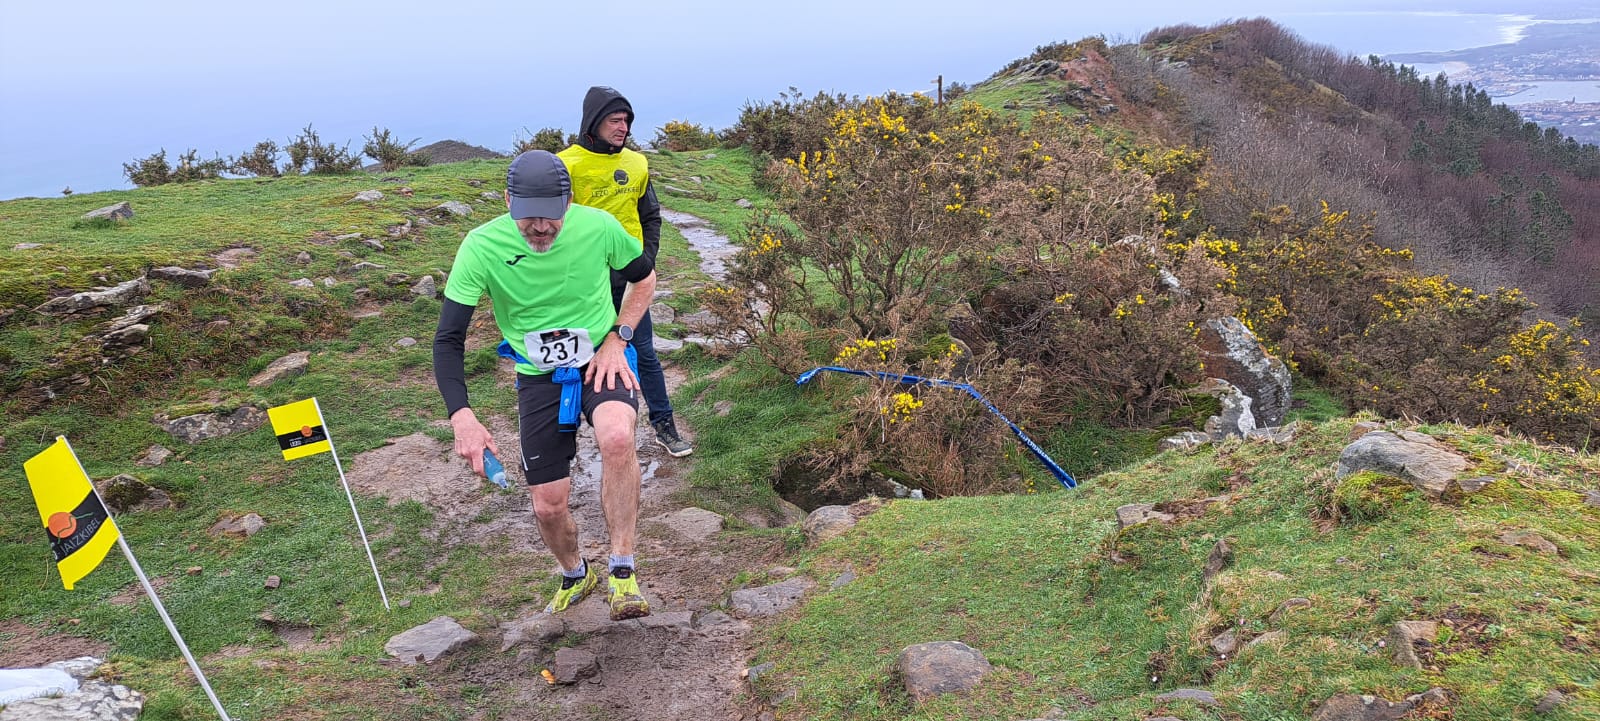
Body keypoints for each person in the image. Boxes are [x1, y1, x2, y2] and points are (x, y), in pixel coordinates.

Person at [433, 150, 656, 620]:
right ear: (508, 200)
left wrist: (620, 336)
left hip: (602, 356)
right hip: (538, 375)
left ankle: (622, 570)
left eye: (551, 217)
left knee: (617, 436)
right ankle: (577, 572)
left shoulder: (598, 227)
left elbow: (644, 278)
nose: (540, 228)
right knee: (548, 506)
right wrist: (463, 416)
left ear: (569, 201)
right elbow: (448, 339)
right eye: (527, 217)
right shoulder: (480, 246)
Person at [558, 86, 694, 458]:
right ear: (594, 122)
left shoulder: (637, 163)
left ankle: (664, 425)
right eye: (615, 121)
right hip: (583, 281)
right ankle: (564, 438)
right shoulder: (566, 165)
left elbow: (649, 215)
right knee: (573, 356)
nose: (623, 128)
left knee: (645, 352)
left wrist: (647, 260)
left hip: (630, 277)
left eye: (627, 122)